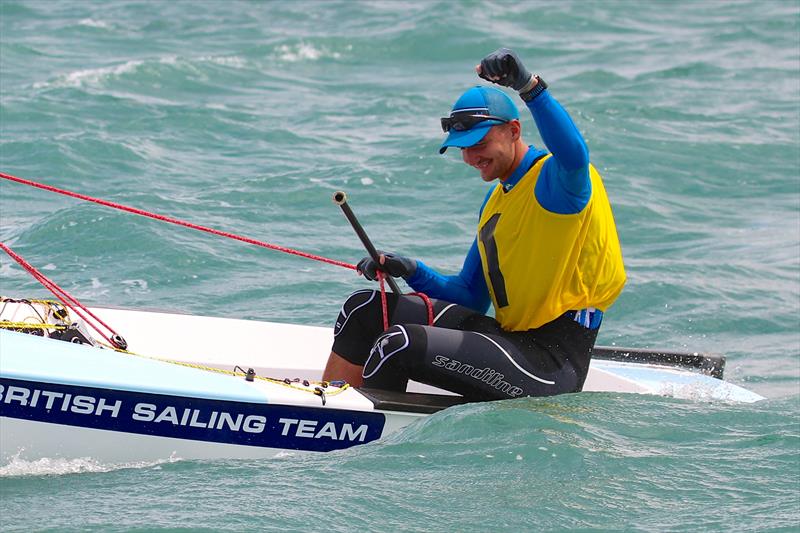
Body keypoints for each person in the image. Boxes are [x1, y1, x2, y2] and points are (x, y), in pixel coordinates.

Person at [322, 48, 626, 400]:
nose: (470, 157)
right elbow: (470, 295)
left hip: (550, 361)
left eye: (479, 144)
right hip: (507, 336)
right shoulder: (496, 202)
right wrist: (411, 269)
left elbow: (574, 154)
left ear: (514, 131)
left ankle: (360, 437)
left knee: (399, 343)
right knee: (364, 310)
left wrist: (529, 88)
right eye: (461, 148)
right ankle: (322, 407)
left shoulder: (557, 184)